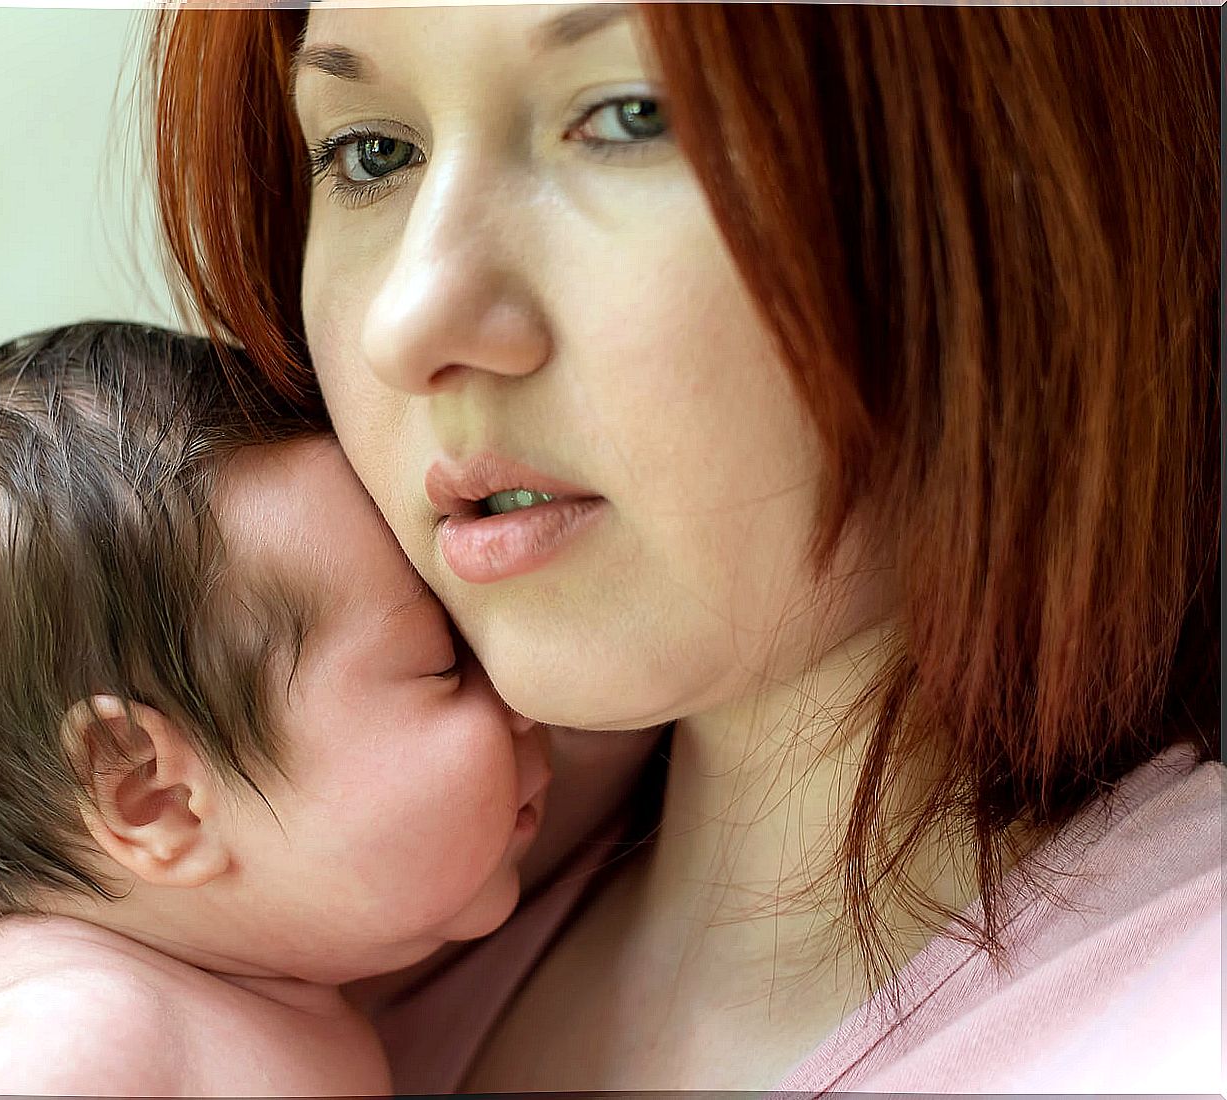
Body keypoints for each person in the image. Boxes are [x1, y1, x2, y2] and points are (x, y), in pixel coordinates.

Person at [145, 3, 1222, 1092]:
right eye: (371, 152)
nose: (413, 318)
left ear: (1018, 172)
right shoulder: (302, 967)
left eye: (627, 114)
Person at [0, 321, 555, 1096]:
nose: (521, 698)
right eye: (445, 661)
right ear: (155, 796)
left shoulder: (246, 994)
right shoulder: (73, 1039)